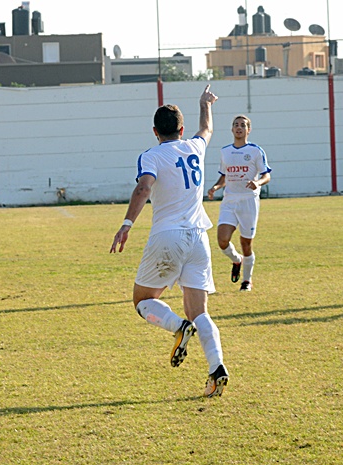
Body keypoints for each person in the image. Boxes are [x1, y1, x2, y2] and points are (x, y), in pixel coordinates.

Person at [110, 85, 229, 397]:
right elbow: (207, 129)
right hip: (198, 236)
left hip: (168, 236)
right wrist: (205, 104)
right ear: (181, 129)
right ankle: (217, 368)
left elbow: (143, 188)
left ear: (155, 131)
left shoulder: (151, 155)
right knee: (200, 312)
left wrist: (126, 224)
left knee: (142, 301)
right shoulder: (195, 147)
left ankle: (178, 327)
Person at [207, 115, 271, 292]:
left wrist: (257, 183)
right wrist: (215, 187)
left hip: (248, 201)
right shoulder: (225, 151)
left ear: (248, 130)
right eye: (236, 125)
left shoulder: (255, 151)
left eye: (243, 125)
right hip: (229, 200)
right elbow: (224, 176)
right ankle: (237, 259)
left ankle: (247, 281)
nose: (239, 127)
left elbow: (266, 175)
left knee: (246, 244)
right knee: (222, 240)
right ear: (232, 129)